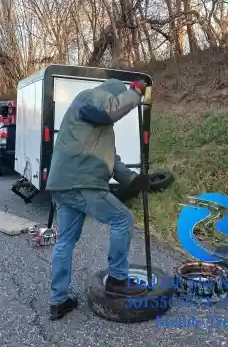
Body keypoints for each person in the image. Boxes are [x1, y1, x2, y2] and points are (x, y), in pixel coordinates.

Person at [46, 78, 148, 321]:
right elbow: (111, 109)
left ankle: (58, 301)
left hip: (63, 184)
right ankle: (117, 279)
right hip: (82, 182)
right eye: (119, 98)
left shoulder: (95, 127)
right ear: (111, 95)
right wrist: (135, 93)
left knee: (65, 241)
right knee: (122, 218)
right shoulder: (89, 97)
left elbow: (112, 160)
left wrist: (134, 179)